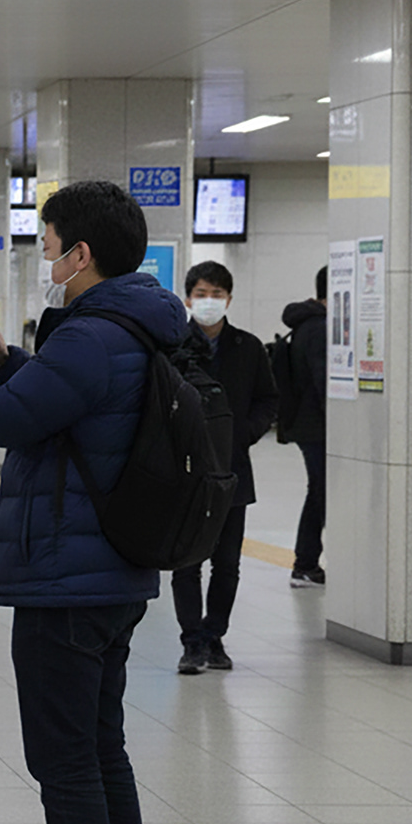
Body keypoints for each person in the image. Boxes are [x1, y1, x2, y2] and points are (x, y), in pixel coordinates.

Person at [0, 179, 188, 824]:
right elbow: (57, 404)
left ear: (80, 254)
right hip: (112, 573)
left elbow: (1, 420)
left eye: (48, 249)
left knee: (66, 761)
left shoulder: (89, 336)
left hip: (65, 578)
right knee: (101, 751)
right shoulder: (132, 324)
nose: (45, 261)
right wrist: (6, 358)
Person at [171, 261, 279, 675]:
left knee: (228, 562)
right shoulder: (174, 346)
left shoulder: (247, 347)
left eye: (217, 294)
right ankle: (190, 640)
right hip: (186, 471)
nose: (209, 301)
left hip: (233, 468)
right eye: (202, 294)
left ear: (229, 299)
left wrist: (243, 433)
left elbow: (269, 400)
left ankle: (215, 636)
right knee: (186, 561)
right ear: (188, 298)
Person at [279, 267, 328, 587]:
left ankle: (306, 560)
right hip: (317, 426)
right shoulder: (320, 328)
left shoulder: (305, 324)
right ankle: (305, 562)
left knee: (320, 491)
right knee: (321, 492)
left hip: (307, 424)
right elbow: (325, 382)